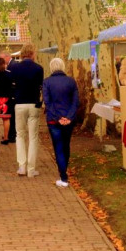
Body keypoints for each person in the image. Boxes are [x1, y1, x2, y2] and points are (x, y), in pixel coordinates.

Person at [42, 58, 79, 188]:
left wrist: (58, 117)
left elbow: (48, 102)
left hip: (53, 119)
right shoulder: (71, 82)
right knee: (66, 145)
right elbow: (75, 102)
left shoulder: (47, 82)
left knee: (58, 147)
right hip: (68, 119)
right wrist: (68, 117)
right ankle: (64, 171)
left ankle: (63, 176)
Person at [11, 43, 43, 178]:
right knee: (33, 137)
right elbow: (40, 86)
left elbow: (12, 85)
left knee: (20, 135)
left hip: (19, 104)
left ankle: (22, 166)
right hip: (34, 104)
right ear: (33, 54)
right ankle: (31, 169)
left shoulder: (15, 68)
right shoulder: (38, 69)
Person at [0, 50, 16, 143]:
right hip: (10, 95)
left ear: (6, 57)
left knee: (11, 116)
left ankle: (11, 135)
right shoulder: (11, 65)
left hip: (11, 95)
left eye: (2, 58)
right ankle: (10, 134)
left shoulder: (12, 66)